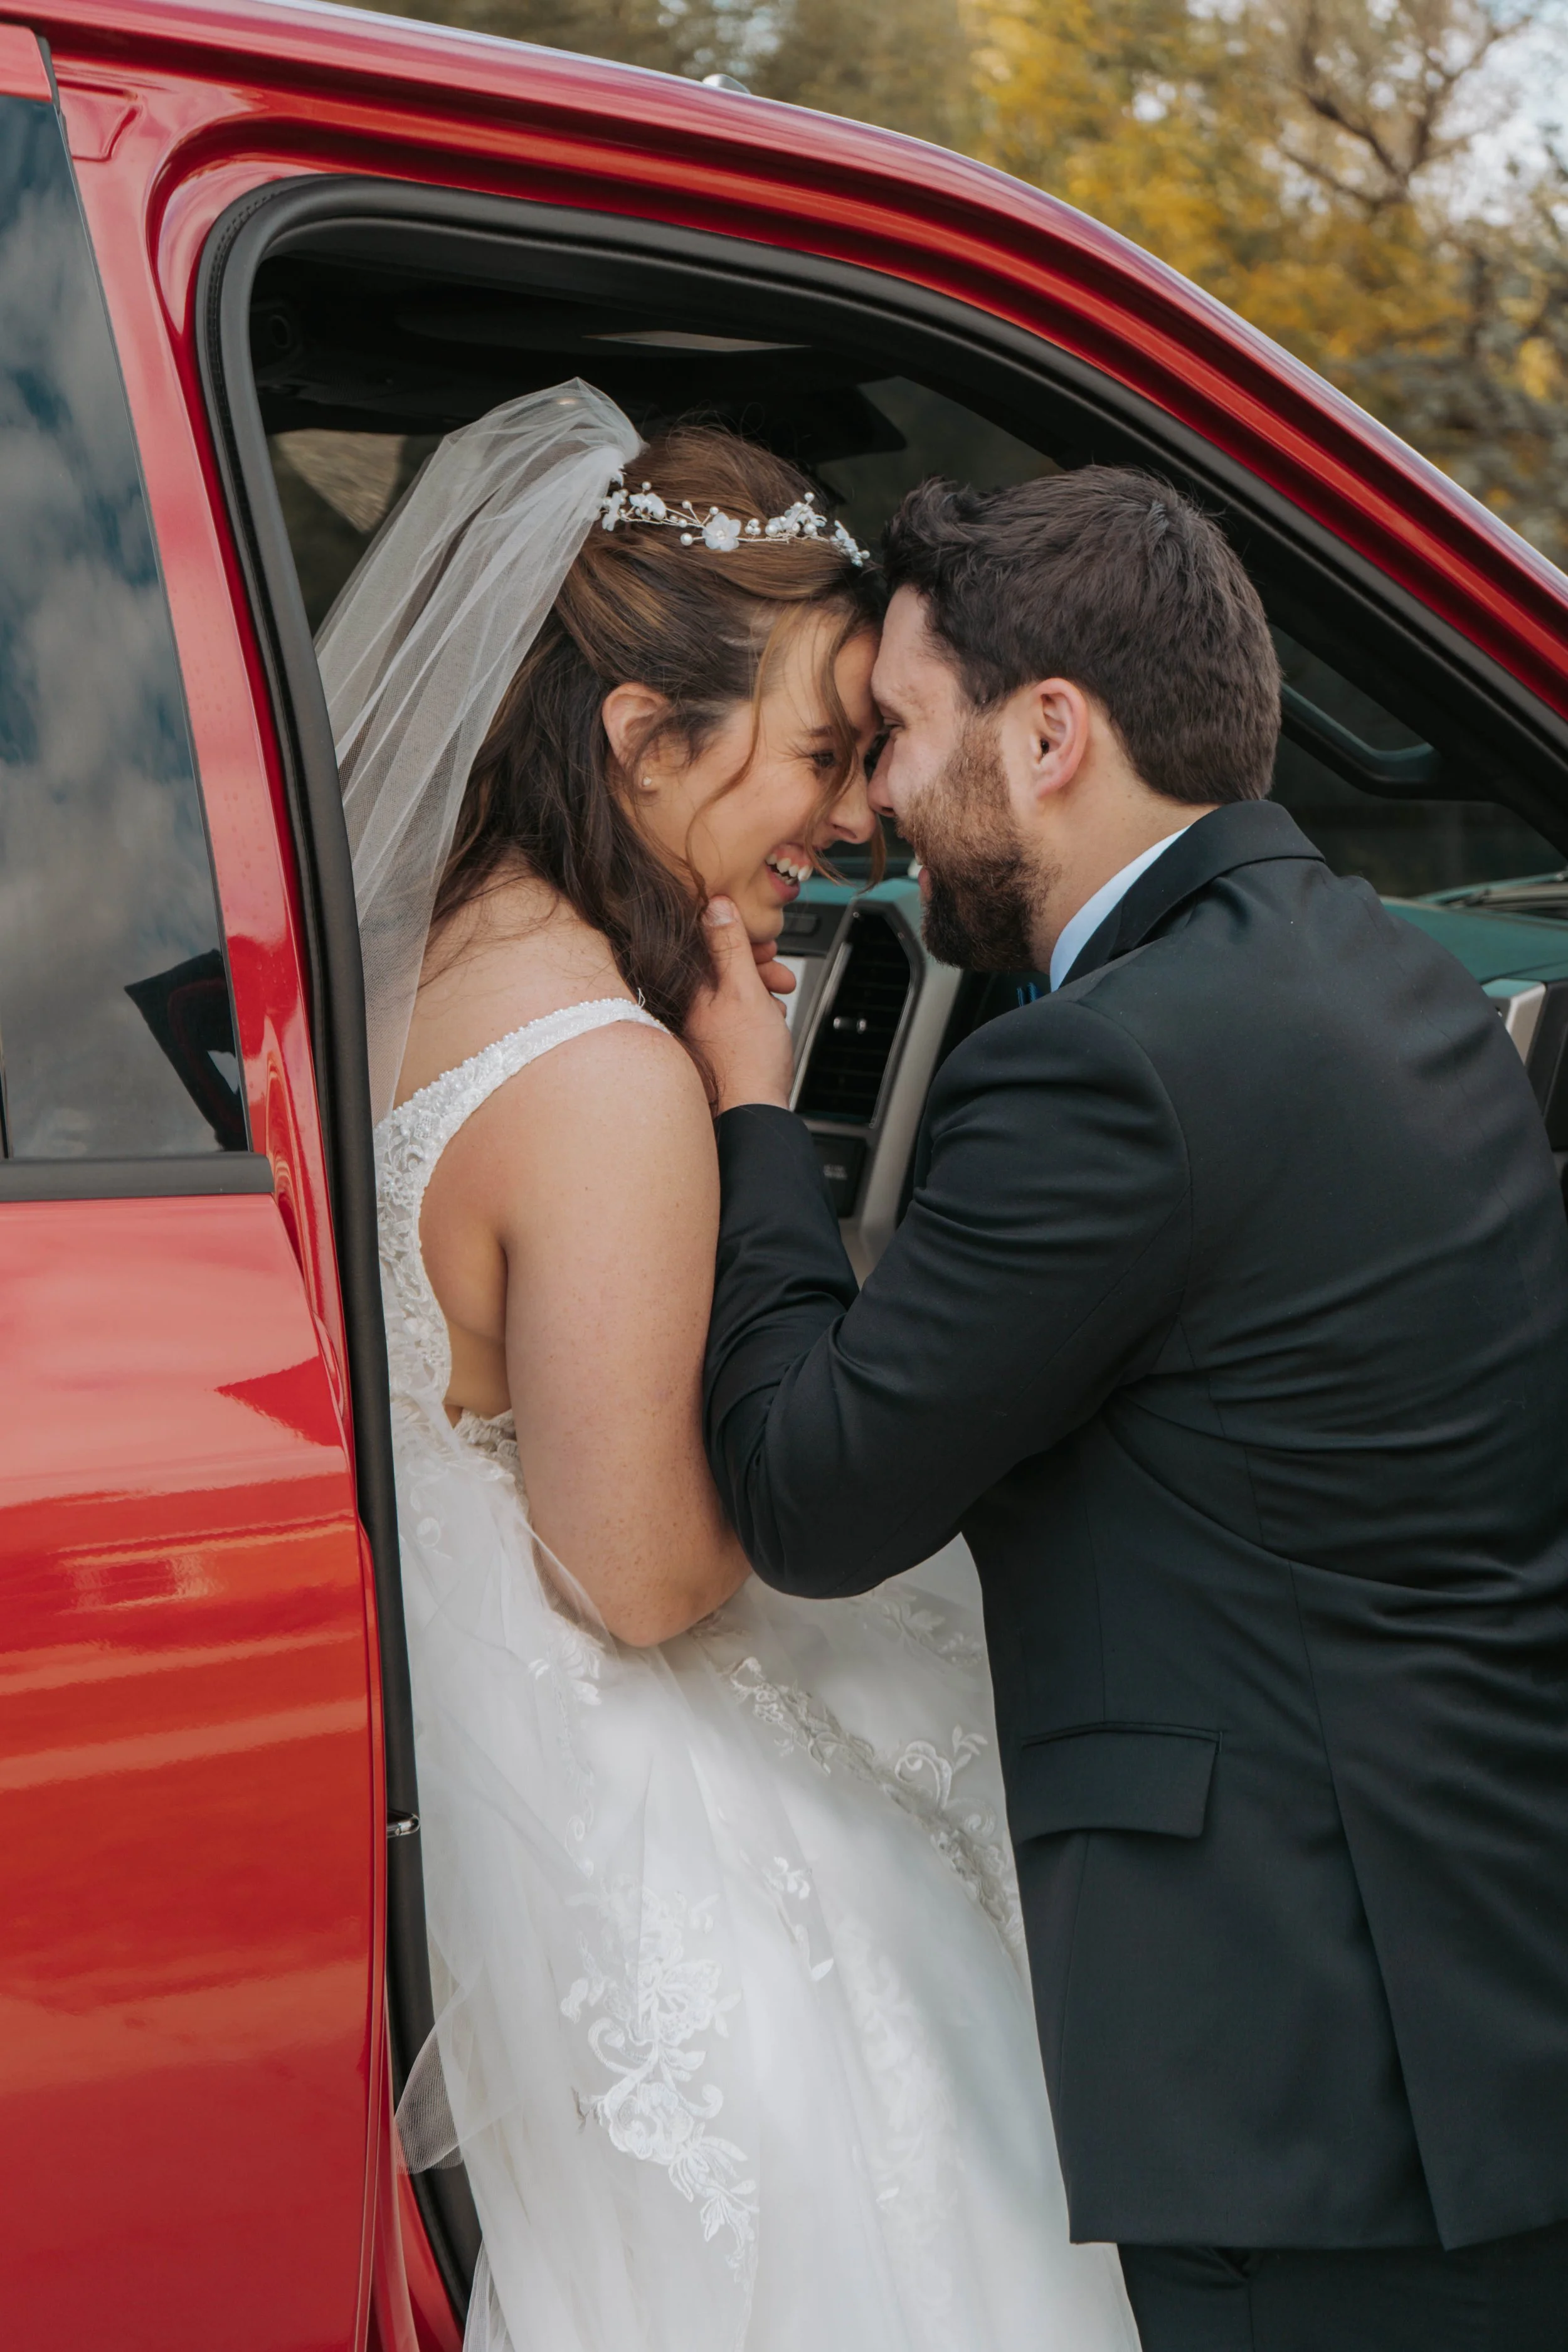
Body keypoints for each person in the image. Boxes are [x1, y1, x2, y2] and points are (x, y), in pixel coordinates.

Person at [692, 465, 1568, 2352]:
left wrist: (751, 1109)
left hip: (1309, 2100)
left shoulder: (1111, 1069)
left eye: (907, 735)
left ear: (1050, 734)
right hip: (1482, 2002)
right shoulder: (1398, 983)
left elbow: (808, 1493)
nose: (873, 809)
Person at [319, 383, 1138, 2352]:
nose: (858, 813)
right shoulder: (603, 1079)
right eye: (819, 753)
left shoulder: (407, 956)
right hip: (573, 1746)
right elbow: (646, 1573)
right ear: (638, 738)